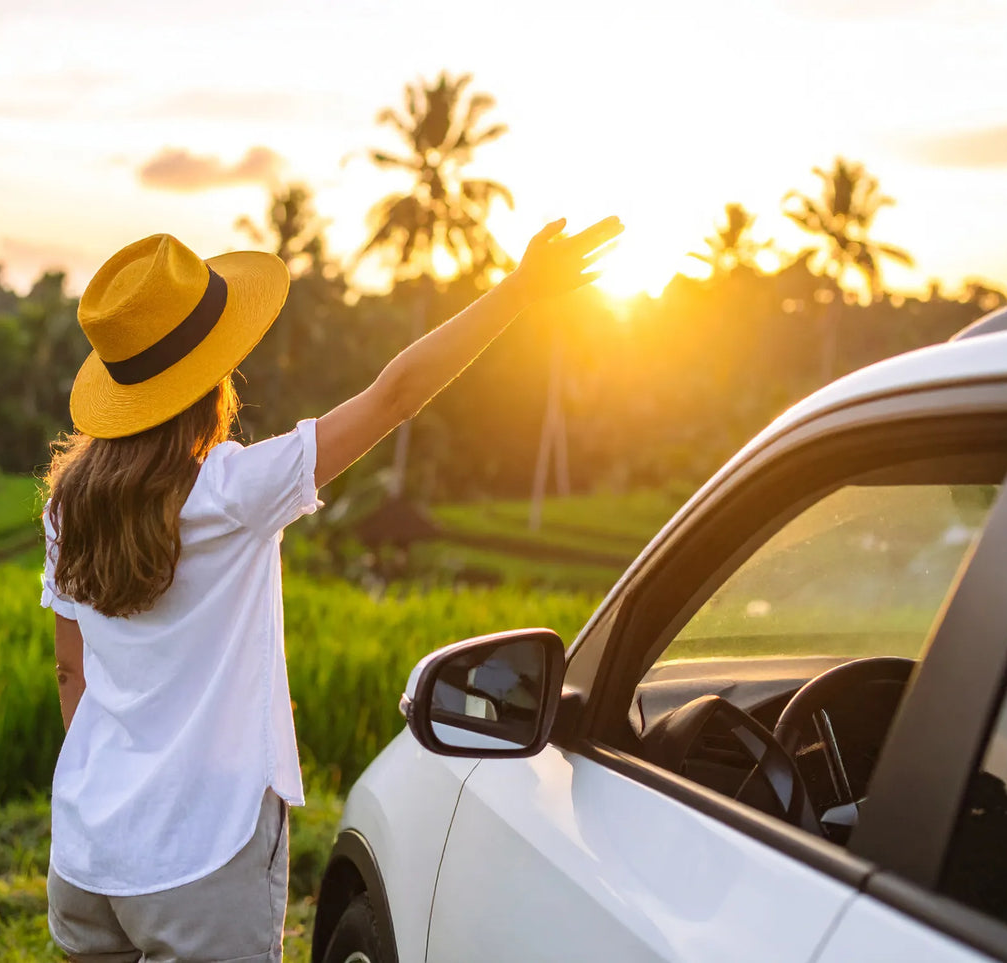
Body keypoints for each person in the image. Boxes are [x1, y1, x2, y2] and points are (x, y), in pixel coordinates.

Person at [39, 215, 621, 962]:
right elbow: (394, 396)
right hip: (200, 850)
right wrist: (519, 290)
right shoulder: (234, 490)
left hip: (88, 850)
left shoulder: (67, 506)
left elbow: (71, 670)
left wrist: (115, 792)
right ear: (208, 381)